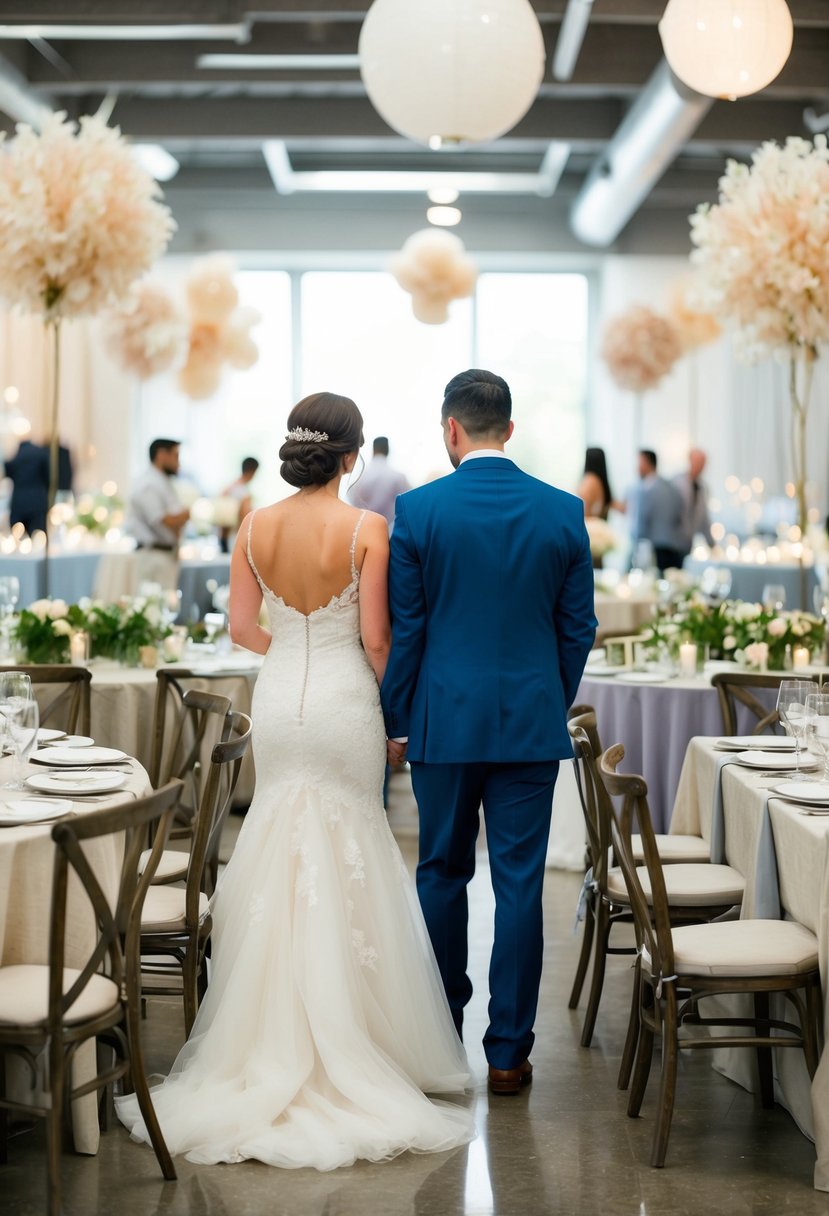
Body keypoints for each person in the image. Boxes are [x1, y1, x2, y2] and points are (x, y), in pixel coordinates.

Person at [116, 392, 473, 1168]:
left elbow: (243, 628)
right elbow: (377, 637)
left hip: (279, 700)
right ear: (351, 456)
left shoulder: (254, 526)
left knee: (279, 836)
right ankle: (360, 1041)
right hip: (345, 700)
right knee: (351, 844)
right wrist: (394, 718)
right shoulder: (366, 529)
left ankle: (261, 1037)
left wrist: (294, 644)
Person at [380, 369, 596, 1095]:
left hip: (442, 721)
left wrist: (397, 718)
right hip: (530, 725)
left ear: (451, 430)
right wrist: (544, 698)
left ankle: (442, 1035)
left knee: (440, 873)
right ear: (510, 428)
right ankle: (508, 1054)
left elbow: (406, 632)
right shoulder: (564, 512)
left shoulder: (417, 511)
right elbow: (578, 630)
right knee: (519, 887)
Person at [125, 438, 190, 591]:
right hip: (153, 556)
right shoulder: (149, 484)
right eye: (176, 456)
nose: (178, 462)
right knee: (152, 607)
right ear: (161, 455)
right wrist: (186, 514)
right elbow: (163, 520)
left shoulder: (162, 481)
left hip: (165, 555)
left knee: (166, 605)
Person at [628, 449, 686, 574]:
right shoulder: (670, 487)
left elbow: (641, 521)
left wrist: (635, 544)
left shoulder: (646, 489)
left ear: (647, 463)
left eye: (639, 463)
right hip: (674, 547)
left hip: (653, 549)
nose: (637, 467)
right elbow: (679, 513)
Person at [5, 438, 72, 536]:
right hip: (38, 502)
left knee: (19, 537)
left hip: (19, 503)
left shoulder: (16, 458)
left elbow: (8, 473)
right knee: (38, 536)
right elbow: (49, 477)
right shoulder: (41, 454)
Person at [575, 445, 622, 570]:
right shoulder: (602, 483)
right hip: (597, 543)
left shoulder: (589, 481)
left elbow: (582, 512)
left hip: (589, 539)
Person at [348, 435, 410, 528]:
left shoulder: (359, 477)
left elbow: (353, 501)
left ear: (373, 450)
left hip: (363, 529)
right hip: (390, 531)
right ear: (388, 451)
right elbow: (406, 506)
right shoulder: (398, 477)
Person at [673, 446, 713, 558]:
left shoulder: (703, 488)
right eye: (698, 462)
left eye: (703, 463)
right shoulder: (676, 483)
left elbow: (704, 518)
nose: (700, 466)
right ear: (690, 461)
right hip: (674, 542)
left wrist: (711, 543)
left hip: (689, 543)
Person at [218, 456, 259, 553]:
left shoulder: (227, 489)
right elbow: (247, 520)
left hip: (225, 539)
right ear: (252, 471)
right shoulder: (244, 494)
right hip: (238, 539)